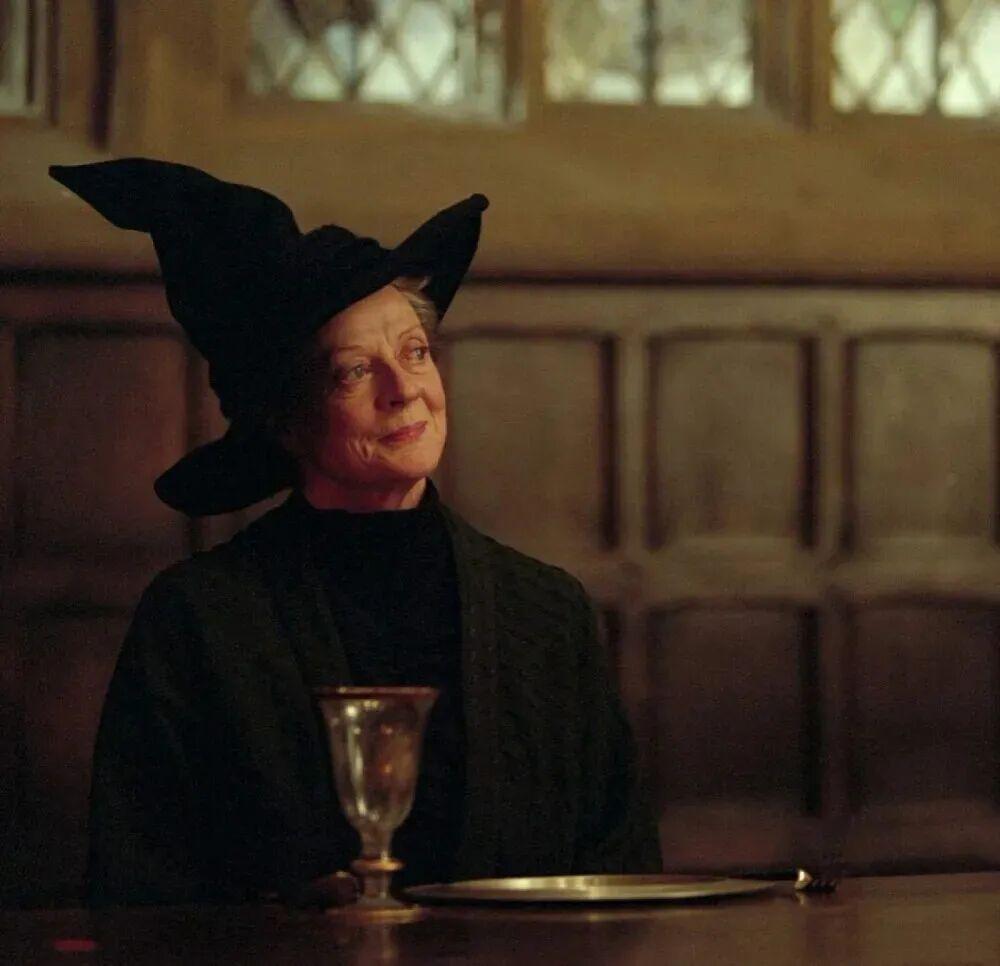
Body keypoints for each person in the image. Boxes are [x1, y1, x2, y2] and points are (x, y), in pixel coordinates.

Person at [49, 159, 662, 907]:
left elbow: (624, 874)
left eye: (414, 352)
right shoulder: (199, 620)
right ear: (286, 422)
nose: (405, 390)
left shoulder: (546, 611)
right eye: (352, 371)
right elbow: (138, 899)